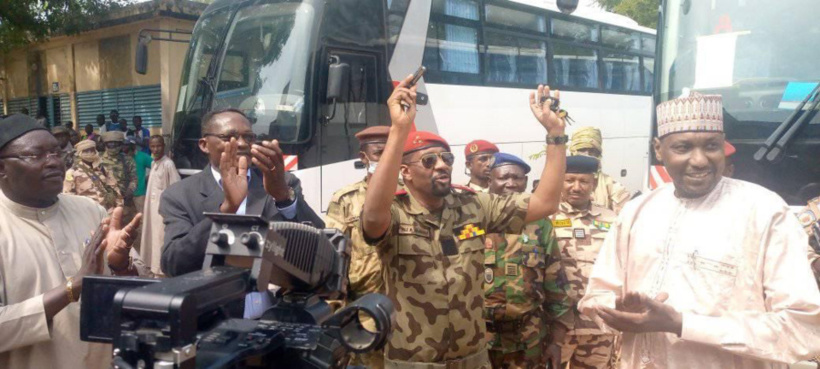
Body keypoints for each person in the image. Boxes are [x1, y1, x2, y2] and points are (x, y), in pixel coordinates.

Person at [577, 93, 820, 369]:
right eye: (683, 147)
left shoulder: (764, 211)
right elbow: (595, 296)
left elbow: (803, 329)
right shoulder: (637, 211)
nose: (700, 160)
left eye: (712, 146)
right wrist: (618, 311)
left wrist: (682, 324)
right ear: (659, 149)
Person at [360, 77, 567, 369]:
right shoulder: (394, 213)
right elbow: (371, 217)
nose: (442, 165)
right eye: (429, 161)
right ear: (405, 172)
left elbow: (545, 203)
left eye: (446, 158)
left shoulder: (473, 205)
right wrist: (399, 130)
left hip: (472, 359)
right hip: (413, 361)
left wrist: (556, 134)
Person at [0, 114, 149, 369]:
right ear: (2, 167)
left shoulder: (91, 210)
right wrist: (72, 287)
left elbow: (140, 285)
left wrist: (121, 266)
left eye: (56, 153)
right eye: (36, 156)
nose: (54, 163)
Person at [160, 108, 324, 277]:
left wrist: (283, 198)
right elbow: (173, 263)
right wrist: (225, 211)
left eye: (249, 137)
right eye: (229, 137)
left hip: (275, 298)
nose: (242, 143)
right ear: (204, 145)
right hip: (218, 299)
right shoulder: (179, 195)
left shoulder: (282, 182)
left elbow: (320, 248)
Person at [483, 152, 572, 369]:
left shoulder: (541, 225)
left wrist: (556, 342)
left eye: (518, 178)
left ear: (526, 182)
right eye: (504, 177)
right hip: (478, 343)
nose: (511, 183)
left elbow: (556, 286)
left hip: (527, 343)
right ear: (489, 181)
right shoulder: (471, 220)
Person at [325, 125, 390, 368]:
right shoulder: (345, 199)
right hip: (365, 316)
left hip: (412, 316)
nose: (386, 159)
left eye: (393, 152)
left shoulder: (413, 194)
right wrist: (337, 322)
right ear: (364, 158)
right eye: (379, 153)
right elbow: (333, 264)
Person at [549, 155, 618, 369]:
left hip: (597, 324)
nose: (576, 187)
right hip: (558, 326)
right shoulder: (545, 218)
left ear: (594, 184)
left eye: (584, 181)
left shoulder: (612, 220)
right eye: (569, 180)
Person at [140, 135, 180, 275]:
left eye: (158, 146)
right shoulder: (153, 163)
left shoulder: (168, 164)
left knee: (160, 238)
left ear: (163, 146)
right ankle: (153, 268)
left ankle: (161, 270)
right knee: (151, 237)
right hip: (151, 209)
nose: (155, 149)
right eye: (152, 146)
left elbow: (175, 188)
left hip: (162, 210)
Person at [568, 127, 631, 213]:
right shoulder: (559, 184)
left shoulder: (611, 186)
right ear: (572, 152)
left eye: (592, 151)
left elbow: (626, 216)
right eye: (582, 150)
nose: (587, 155)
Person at [63, 140, 122, 210]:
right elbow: (68, 196)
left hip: (107, 210)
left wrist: (119, 206)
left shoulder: (103, 169)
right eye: (86, 151)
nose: (90, 153)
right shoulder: (72, 172)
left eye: (92, 150)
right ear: (80, 153)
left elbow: (114, 187)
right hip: (87, 212)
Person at [101, 131, 139, 225]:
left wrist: (129, 191)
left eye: (116, 143)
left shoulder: (127, 160)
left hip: (123, 202)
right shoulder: (98, 159)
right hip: (103, 203)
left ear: (120, 144)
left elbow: (134, 179)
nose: (112, 145)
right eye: (110, 143)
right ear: (105, 144)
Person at [125, 137, 153, 252]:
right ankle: (131, 246)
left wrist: (148, 178)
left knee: (142, 220)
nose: (125, 148)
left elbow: (155, 165)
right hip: (125, 195)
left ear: (133, 146)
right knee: (127, 219)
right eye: (124, 146)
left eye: (127, 146)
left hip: (139, 194)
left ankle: (142, 246)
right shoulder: (122, 158)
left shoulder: (142, 157)